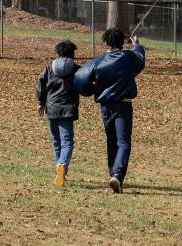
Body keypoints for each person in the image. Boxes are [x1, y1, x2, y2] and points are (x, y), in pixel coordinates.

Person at [74, 29, 146, 194]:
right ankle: (117, 175)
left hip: (105, 106)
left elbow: (79, 78)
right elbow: (140, 59)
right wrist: (137, 45)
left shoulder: (98, 61)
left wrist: (90, 90)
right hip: (123, 105)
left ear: (105, 43)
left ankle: (113, 173)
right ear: (122, 42)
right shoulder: (129, 58)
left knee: (111, 140)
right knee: (123, 142)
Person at [36, 40, 80, 187]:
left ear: (58, 53)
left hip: (51, 109)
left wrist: (41, 103)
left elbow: (41, 86)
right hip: (68, 110)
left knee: (56, 141)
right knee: (67, 141)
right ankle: (61, 166)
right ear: (72, 53)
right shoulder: (76, 69)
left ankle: (59, 171)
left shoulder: (49, 69)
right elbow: (84, 84)